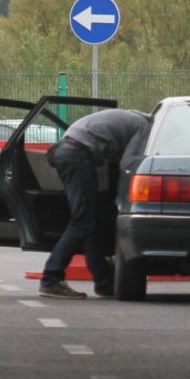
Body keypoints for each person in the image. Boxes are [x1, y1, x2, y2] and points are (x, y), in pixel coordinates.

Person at [39, 108, 152, 299]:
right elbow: (129, 163)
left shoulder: (133, 117)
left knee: (90, 222)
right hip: (78, 155)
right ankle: (50, 280)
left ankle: (104, 283)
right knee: (82, 221)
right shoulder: (145, 127)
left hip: (65, 150)